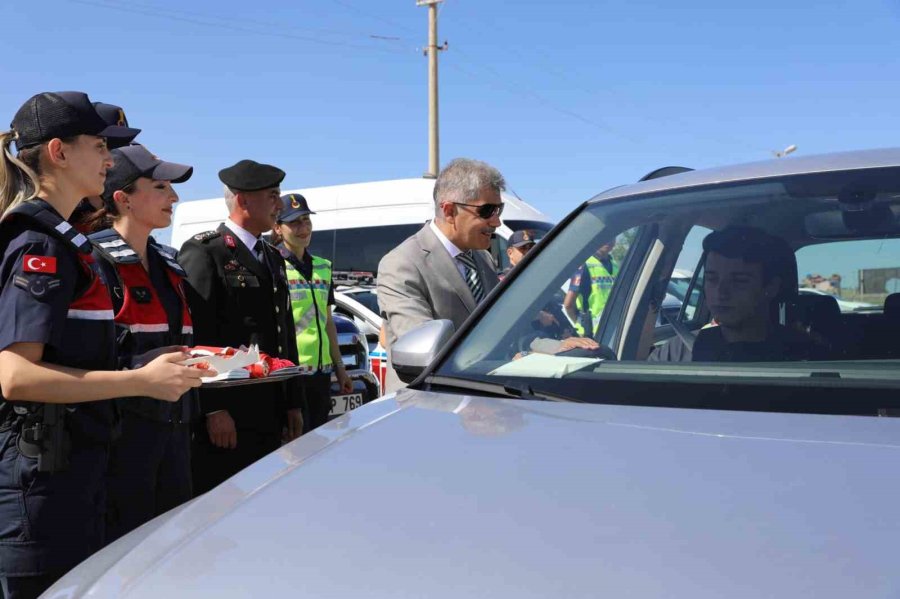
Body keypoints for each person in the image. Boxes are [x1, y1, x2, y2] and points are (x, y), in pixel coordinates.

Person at [0, 91, 208, 599]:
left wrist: (146, 363)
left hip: (77, 473)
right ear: (59, 152)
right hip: (41, 483)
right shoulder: (40, 243)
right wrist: (138, 380)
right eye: (98, 145)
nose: (109, 159)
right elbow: (15, 377)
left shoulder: (65, 239)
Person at [88, 143, 198, 541]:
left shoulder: (170, 264)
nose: (174, 197)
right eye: (160, 187)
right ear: (123, 199)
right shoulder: (93, 262)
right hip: (120, 446)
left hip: (176, 440)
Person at [179, 159, 304, 495]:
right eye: (273, 196)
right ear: (243, 201)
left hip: (270, 406)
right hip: (231, 411)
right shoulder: (206, 252)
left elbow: (283, 332)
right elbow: (198, 337)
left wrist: (292, 401)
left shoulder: (272, 256)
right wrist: (214, 408)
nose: (279, 204)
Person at [377, 158, 503, 350]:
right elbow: (422, 347)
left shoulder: (484, 259)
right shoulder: (402, 264)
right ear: (450, 211)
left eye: (498, 210)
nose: (496, 222)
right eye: (487, 211)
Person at [649, 226, 823, 362]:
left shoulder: (804, 358)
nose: (721, 292)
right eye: (712, 279)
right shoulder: (678, 352)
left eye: (739, 280)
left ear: (770, 288)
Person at [273, 193, 352, 429]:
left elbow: (327, 321)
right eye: (294, 222)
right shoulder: (273, 265)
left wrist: (340, 368)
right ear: (278, 228)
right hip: (290, 375)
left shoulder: (323, 267)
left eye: (306, 220)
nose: (303, 227)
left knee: (318, 443)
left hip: (321, 375)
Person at [69, 102, 140, 234]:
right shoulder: (64, 209)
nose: (112, 159)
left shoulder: (128, 206)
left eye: (123, 149)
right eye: (102, 146)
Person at [563, 241, 618, 338]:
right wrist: (581, 324)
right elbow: (568, 304)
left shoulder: (615, 265)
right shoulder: (584, 265)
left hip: (615, 328)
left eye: (612, 236)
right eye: (605, 237)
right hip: (592, 333)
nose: (608, 240)